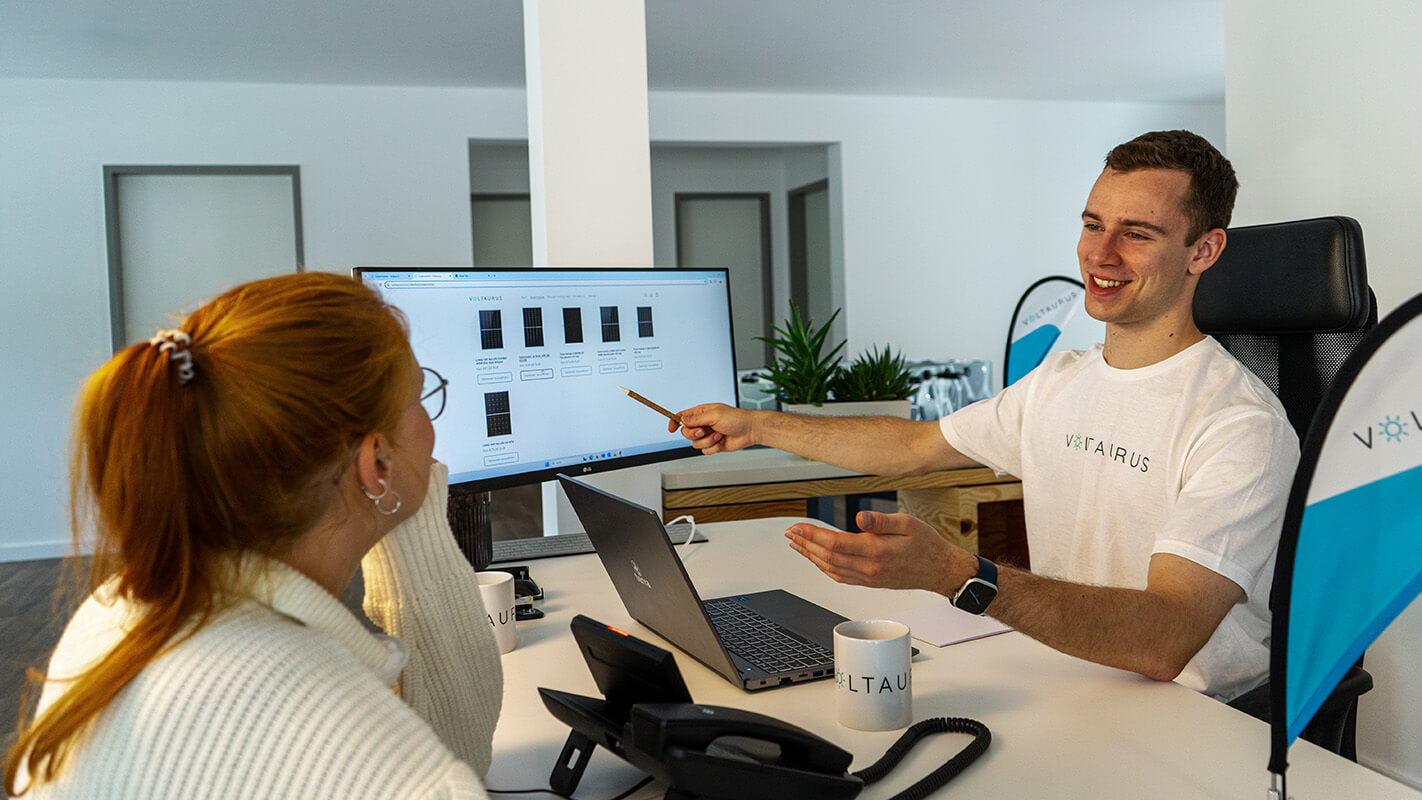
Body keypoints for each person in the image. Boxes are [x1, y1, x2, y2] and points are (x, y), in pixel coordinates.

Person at [672, 130, 1299, 702]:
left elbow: (1167, 637)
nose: (1100, 254)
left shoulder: (1241, 425)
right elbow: (916, 447)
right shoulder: (1061, 380)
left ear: (1204, 250)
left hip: (1194, 718)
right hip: (1068, 678)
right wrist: (756, 426)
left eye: (1137, 234)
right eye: (1091, 223)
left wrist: (960, 574)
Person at [4, 273, 502, 798]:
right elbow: (452, 774)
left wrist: (396, 493)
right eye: (422, 396)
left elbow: (457, 750)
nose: (432, 422)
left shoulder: (115, 613)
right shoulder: (386, 769)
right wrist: (398, 487)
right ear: (374, 459)